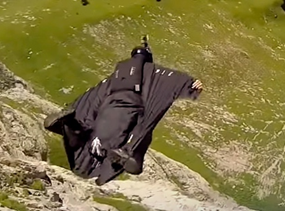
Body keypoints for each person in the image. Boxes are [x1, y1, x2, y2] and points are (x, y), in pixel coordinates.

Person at [44, 36, 203, 185]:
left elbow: (94, 94)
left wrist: (78, 108)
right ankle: (128, 153)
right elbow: (176, 80)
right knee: (144, 131)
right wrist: (192, 84)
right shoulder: (152, 71)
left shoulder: (117, 74)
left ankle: (70, 124)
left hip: (107, 107)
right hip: (130, 110)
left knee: (86, 139)